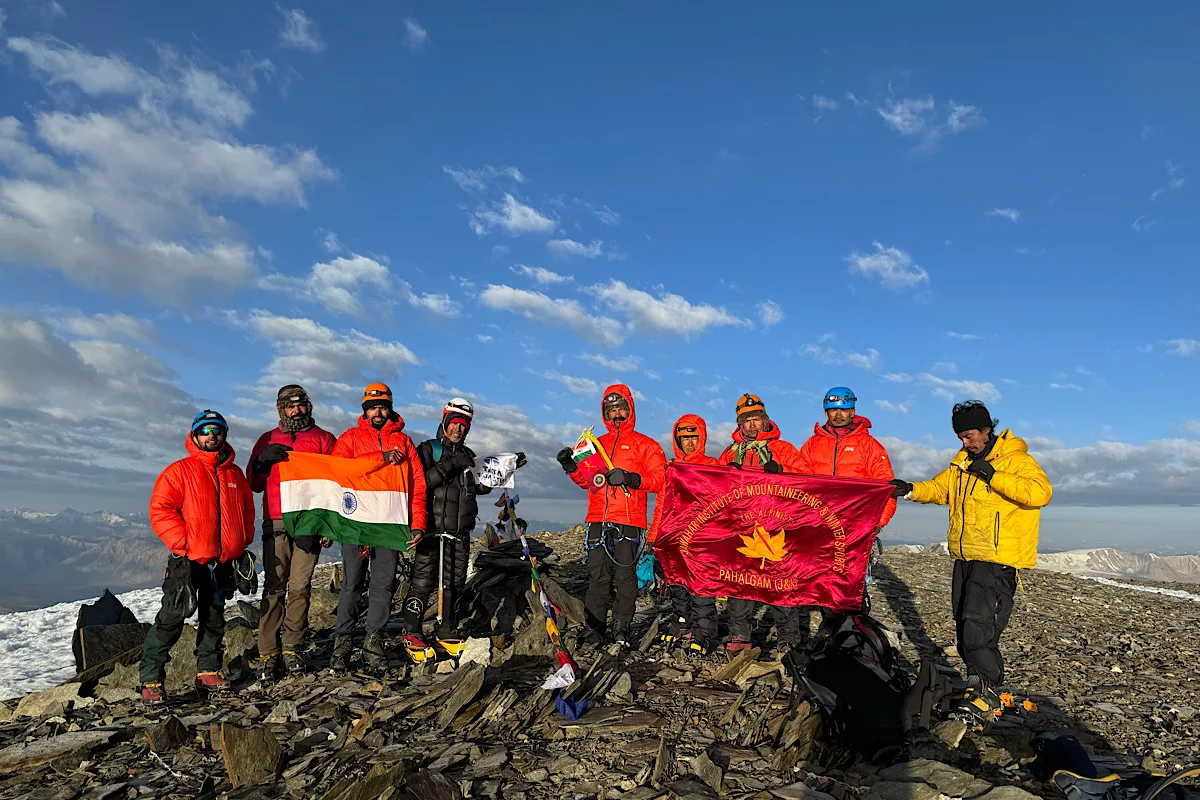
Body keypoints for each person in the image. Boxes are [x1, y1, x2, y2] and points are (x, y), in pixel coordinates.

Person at [890, 400, 1052, 705]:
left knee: (977, 633)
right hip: (966, 558)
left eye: (970, 436)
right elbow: (940, 490)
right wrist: (910, 489)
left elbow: (1040, 493)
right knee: (965, 629)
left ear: (987, 429)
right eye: (961, 437)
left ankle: (990, 692)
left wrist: (993, 475)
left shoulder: (1016, 460)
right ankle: (977, 688)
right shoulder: (961, 464)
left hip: (997, 559)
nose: (966, 442)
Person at [139, 410, 255, 705]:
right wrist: (185, 544)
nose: (211, 435)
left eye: (217, 430)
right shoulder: (179, 471)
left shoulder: (235, 474)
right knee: (171, 617)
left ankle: (208, 670)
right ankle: (150, 678)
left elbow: (247, 510)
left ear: (224, 435)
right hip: (187, 561)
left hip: (223, 561)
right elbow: (161, 510)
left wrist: (241, 542)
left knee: (214, 616)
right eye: (205, 430)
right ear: (195, 436)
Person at [403, 398, 526, 660]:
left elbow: (477, 487)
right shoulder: (428, 450)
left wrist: (506, 469)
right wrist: (452, 464)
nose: (459, 430)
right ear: (445, 423)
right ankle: (411, 632)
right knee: (423, 582)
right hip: (432, 530)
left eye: (463, 426)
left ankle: (446, 629)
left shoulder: (469, 456)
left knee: (454, 584)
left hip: (459, 533)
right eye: (455, 424)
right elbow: (422, 481)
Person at [556, 384, 666, 647]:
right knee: (597, 579)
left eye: (621, 409)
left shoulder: (646, 445)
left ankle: (621, 631)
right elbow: (588, 481)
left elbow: (660, 481)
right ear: (604, 413)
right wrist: (571, 467)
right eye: (611, 409)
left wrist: (630, 477)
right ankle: (594, 630)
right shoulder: (595, 445)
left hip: (629, 521)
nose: (616, 414)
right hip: (597, 520)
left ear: (630, 410)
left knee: (626, 579)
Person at [329, 383, 427, 672]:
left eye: (383, 406)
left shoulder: (405, 442)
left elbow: (417, 485)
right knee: (351, 585)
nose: (378, 412)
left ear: (390, 408)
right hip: (355, 524)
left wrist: (418, 524)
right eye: (372, 407)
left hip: (389, 523)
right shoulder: (349, 438)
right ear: (365, 410)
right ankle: (342, 645)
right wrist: (379, 459)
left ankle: (373, 644)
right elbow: (338, 473)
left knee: (383, 585)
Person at [246, 385, 337, 682]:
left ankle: (292, 647)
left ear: (308, 406)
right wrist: (262, 461)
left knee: (300, 586)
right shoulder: (267, 439)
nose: (296, 410)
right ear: (281, 409)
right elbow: (254, 482)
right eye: (289, 406)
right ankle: (268, 652)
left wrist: (326, 526)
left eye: (300, 405)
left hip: (310, 523)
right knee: (274, 587)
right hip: (275, 520)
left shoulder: (324, 439)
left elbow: (334, 485)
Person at [795, 386, 896, 619]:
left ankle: (854, 641)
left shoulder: (870, 447)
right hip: (819, 528)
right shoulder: (811, 445)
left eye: (844, 410)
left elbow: (887, 488)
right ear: (825, 412)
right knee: (822, 587)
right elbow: (798, 482)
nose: (838, 415)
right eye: (832, 410)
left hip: (856, 530)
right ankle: (832, 637)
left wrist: (877, 524)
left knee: (852, 590)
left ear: (853, 411)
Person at [718, 394, 804, 654]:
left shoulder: (784, 449)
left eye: (756, 419)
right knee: (740, 580)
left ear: (765, 420)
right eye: (747, 421)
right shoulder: (729, 453)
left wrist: (782, 469)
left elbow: (807, 478)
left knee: (780, 582)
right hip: (742, 526)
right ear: (739, 424)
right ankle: (739, 634)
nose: (752, 425)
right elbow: (713, 487)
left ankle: (788, 637)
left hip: (778, 525)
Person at [647, 414, 721, 655]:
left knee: (701, 587)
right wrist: (653, 537)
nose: (689, 442)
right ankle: (682, 624)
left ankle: (704, 633)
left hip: (703, 537)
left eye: (693, 437)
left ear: (702, 437)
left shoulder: (713, 466)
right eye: (684, 438)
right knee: (677, 583)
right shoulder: (671, 469)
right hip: (675, 535)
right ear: (676, 440)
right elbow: (662, 505)